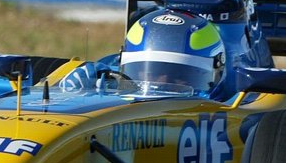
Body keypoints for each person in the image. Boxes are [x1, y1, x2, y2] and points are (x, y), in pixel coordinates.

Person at [58, 8, 226, 98]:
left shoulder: (237, 99)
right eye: (150, 73)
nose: (161, 85)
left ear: (216, 75)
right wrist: (69, 96)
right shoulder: (106, 74)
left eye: (177, 76)